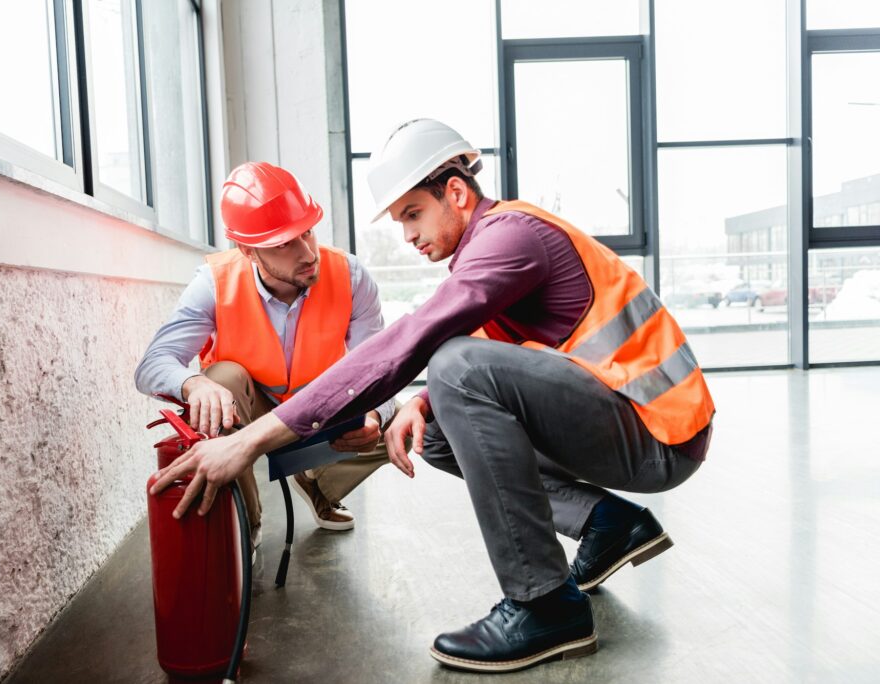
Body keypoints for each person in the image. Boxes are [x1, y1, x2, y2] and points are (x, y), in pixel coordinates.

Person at [150, 120, 714, 674]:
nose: (409, 237)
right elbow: (488, 353)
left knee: (452, 368)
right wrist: (419, 405)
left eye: (413, 215)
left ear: (457, 193)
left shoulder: (510, 238)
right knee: (435, 425)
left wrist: (251, 440)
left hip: (658, 430)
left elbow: (415, 342)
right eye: (401, 223)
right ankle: (604, 521)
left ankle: (545, 605)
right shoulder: (486, 250)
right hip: (626, 421)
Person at [136, 161, 394, 545]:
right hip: (248, 412)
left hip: (320, 415)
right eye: (284, 243)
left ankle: (318, 483)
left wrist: (374, 414)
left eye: (306, 231)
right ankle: (247, 522)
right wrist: (192, 384)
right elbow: (151, 366)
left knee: (406, 419)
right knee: (218, 379)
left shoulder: (351, 276)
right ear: (247, 249)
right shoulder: (213, 282)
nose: (307, 252)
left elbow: (380, 370)